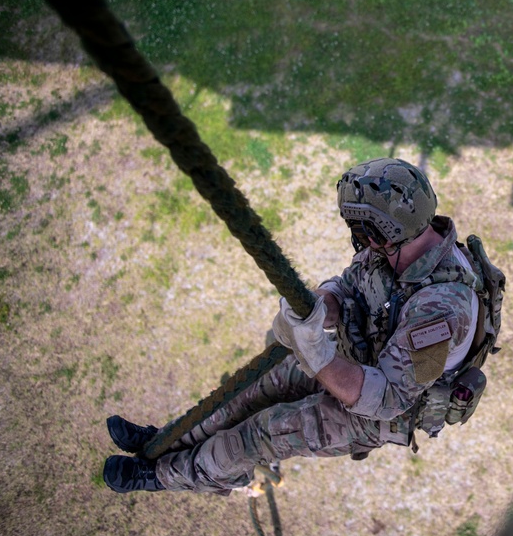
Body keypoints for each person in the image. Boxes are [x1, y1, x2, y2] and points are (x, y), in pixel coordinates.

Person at [103, 157, 482, 493]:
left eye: (361, 230)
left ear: (384, 231)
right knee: (254, 389)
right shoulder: (397, 244)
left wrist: (317, 356)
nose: (358, 239)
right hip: (356, 360)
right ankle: (169, 441)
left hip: (379, 412)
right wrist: (319, 307)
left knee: (261, 433)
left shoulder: (441, 310)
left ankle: (162, 474)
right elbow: (351, 286)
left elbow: (387, 399)